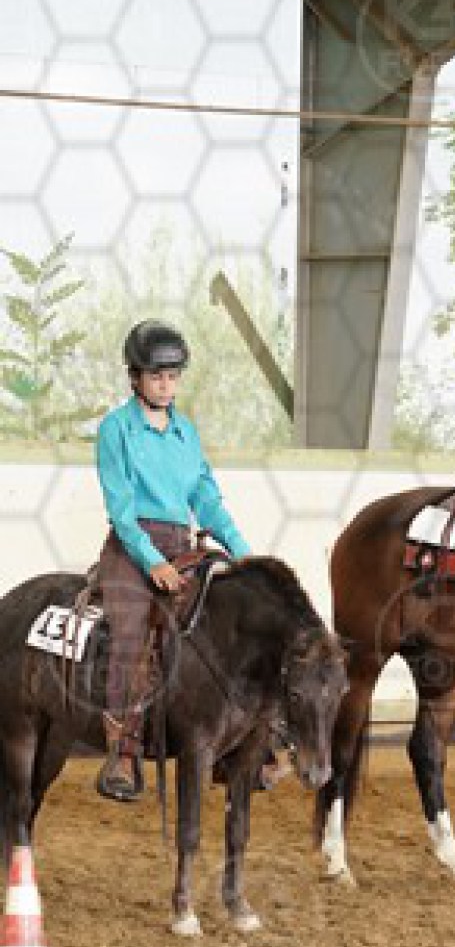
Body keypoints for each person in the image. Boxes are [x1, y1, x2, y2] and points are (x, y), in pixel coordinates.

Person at [92, 319, 252, 801]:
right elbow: (120, 509)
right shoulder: (116, 429)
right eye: (156, 376)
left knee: (229, 624)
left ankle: (238, 742)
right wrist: (151, 562)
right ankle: (122, 752)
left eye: (172, 376)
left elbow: (206, 498)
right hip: (132, 546)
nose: (165, 385)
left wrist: (244, 554)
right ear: (135, 377)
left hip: (184, 544)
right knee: (130, 633)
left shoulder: (186, 432)